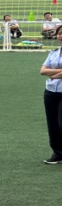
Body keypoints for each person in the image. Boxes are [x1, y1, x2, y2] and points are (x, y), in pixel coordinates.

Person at [39, 28, 62, 164]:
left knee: (61, 123)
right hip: (50, 91)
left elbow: (47, 72)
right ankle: (58, 153)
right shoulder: (53, 52)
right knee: (52, 124)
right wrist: (59, 71)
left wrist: (52, 73)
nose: (60, 36)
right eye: (59, 33)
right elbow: (42, 71)